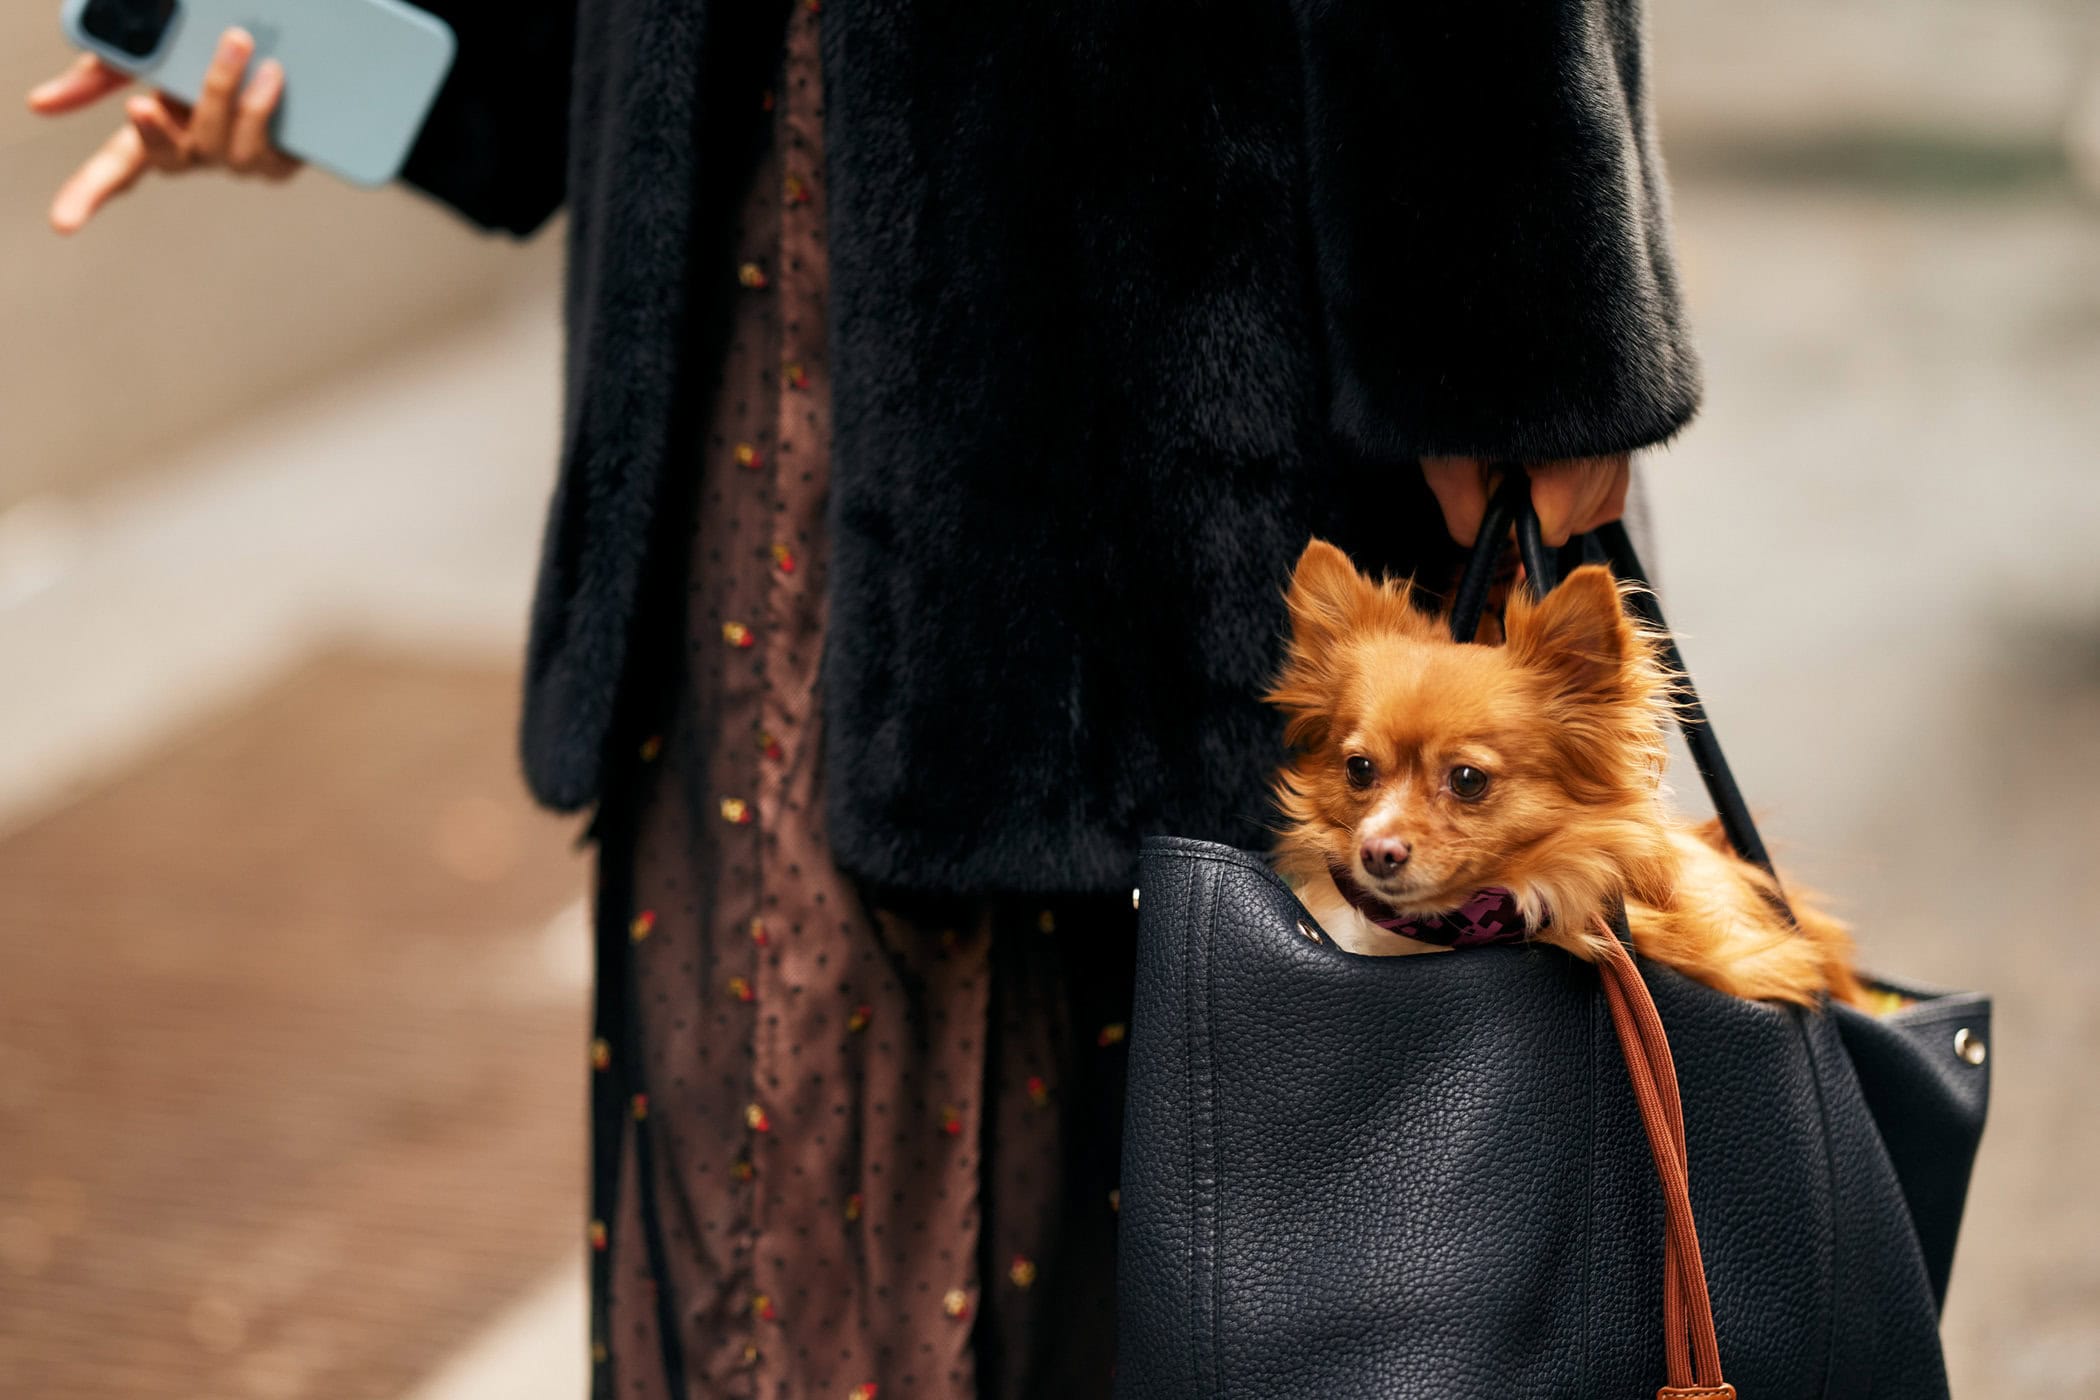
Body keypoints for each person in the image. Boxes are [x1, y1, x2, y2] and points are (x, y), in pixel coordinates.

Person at [29, 3, 1693, 1394]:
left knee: (1187, 1215)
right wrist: (349, 52)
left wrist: (1523, 321)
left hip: (1149, 338)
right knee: (791, 1199)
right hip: (761, 394)